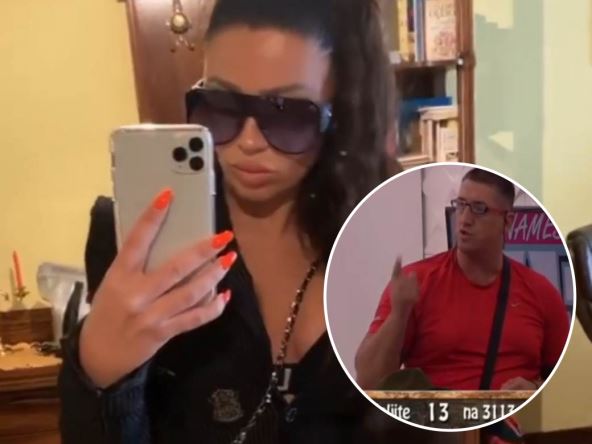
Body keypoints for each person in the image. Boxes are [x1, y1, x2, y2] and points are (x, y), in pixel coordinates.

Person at [56, 0, 443, 443]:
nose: (248, 141)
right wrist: (101, 375)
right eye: (221, 105)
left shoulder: (396, 227)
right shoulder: (132, 238)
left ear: (341, 113)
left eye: (286, 112)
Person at [355, 168, 570, 392]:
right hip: (436, 414)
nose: (464, 220)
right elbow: (368, 381)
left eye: (479, 209)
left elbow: (566, 386)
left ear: (507, 221)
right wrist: (399, 314)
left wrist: (534, 388)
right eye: (461, 205)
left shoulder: (541, 291)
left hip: (514, 414)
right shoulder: (417, 282)